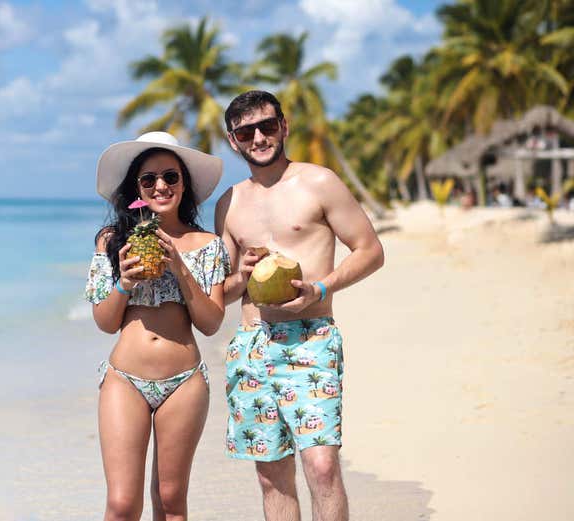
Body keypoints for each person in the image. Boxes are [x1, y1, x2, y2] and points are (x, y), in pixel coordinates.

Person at [214, 91, 384, 521]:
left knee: (322, 467)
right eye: (246, 131)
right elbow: (223, 292)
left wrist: (321, 290)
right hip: (252, 344)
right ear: (233, 140)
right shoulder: (229, 203)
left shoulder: (319, 182)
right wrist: (244, 276)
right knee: (272, 475)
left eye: (267, 126)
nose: (259, 137)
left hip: (310, 339)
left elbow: (369, 250)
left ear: (284, 127)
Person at [85, 131, 230, 521]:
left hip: (183, 381)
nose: (160, 186)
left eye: (171, 176)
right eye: (148, 179)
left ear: (185, 184)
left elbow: (212, 322)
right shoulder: (113, 240)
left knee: (170, 502)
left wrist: (180, 268)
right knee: (120, 505)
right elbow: (104, 321)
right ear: (136, 187)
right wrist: (124, 283)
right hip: (124, 378)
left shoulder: (208, 244)